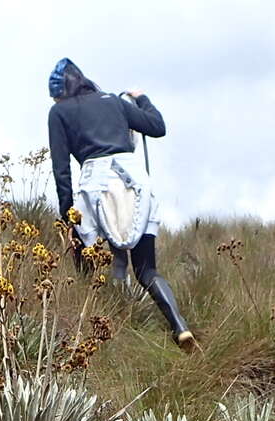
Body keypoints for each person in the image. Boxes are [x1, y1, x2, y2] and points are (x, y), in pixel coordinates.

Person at [46, 57, 194, 351]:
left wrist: (68, 215)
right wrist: (142, 99)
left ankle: (92, 324)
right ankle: (180, 328)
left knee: (84, 254)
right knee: (147, 269)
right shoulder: (114, 101)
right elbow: (156, 126)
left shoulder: (58, 112)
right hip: (135, 179)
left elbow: (61, 168)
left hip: (95, 182)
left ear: (60, 92)